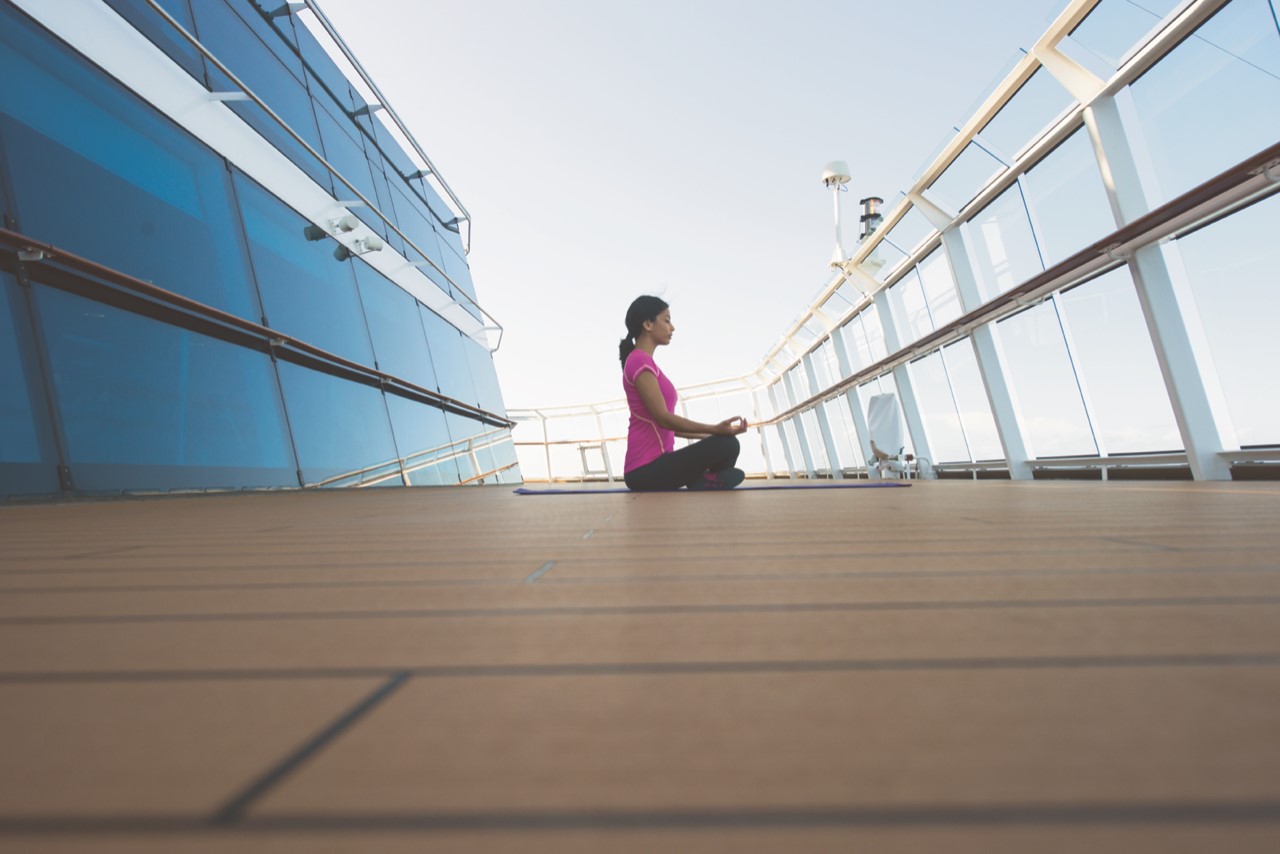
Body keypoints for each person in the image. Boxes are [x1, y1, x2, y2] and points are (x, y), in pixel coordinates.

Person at [618, 295, 749, 491]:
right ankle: (703, 479)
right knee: (727, 445)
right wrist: (715, 429)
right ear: (647, 324)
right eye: (667, 320)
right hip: (644, 470)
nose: (672, 328)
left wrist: (709, 436)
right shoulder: (639, 361)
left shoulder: (644, 362)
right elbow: (663, 419)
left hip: (658, 464)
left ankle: (703, 479)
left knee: (727, 442)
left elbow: (667, 426)